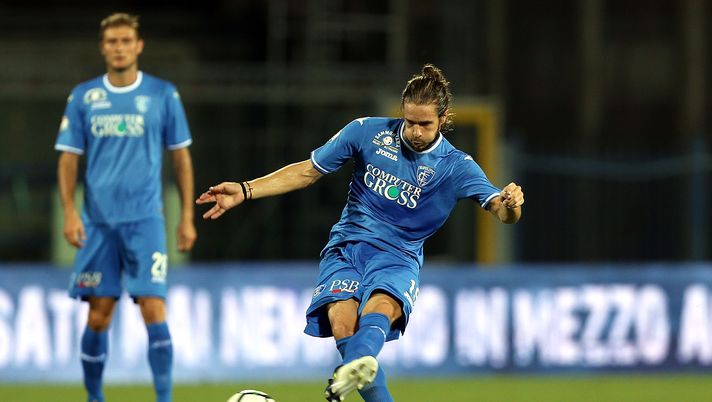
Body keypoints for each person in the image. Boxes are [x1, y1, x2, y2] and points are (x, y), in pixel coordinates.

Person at [197, 64, 524, 402]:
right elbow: (308, 172)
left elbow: (501, 211)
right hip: (347, 247)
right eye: (409, 121)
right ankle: (354, 365)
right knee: (342, 323)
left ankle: (352, 367)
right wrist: (245, 189)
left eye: (424, 124)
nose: (414, 132)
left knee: (379, 308)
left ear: (443, 118)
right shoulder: (366, 132)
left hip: (398, 257)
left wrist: (511, 204)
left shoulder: (457, 166)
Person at [55, 13, 196, 402]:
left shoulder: (162, 94)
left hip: (146, 220)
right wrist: (70, 212)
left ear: (138, 46)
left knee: (153, 306)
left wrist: (185, 217)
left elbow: (181, 157)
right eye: (112, 42)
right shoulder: (84, 96)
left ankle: (164, 398)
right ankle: (95, 397)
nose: (119, 48)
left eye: (125, 41)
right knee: (99, 312)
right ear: (103, 48)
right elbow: (68, 158)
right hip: (98, 223)